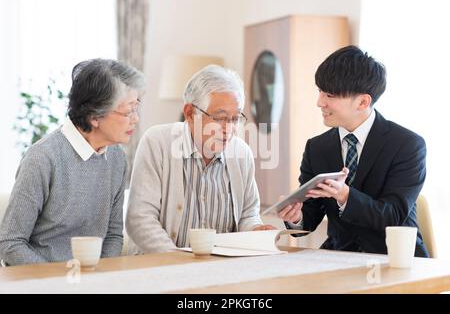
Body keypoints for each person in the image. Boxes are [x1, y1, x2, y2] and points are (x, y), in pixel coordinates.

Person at [278, 45, 428, 257]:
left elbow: (392, 215)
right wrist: (296, 217)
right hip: (338, 259)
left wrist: (345, 195)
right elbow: (309, 217)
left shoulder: (407, 145)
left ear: (363, 101)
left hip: (394, 259)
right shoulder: (317, 147)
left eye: (330, 95)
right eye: (320, 91)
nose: (320, 102)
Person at [0, 58, 145, 265]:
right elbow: (11, 243)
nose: (136, 119)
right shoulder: (43, 158)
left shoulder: (117, 159)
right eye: (128, 110)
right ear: (95, 116)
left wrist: (100, 279)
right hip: (41, 281)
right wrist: (61, 282)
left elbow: (113, 235)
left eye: (136, 106)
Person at [126, 64, 274, 254]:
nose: (228, 129)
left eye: (235, 118)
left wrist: (255, 229)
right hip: (162, 268)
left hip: (221, 270)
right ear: (190, 113)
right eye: (219, 118)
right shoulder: (157, 142)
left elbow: (248, 214)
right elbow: (140, 218)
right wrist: (177, 260)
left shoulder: (241, 153)